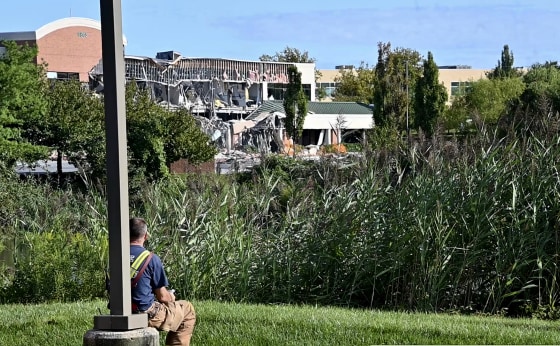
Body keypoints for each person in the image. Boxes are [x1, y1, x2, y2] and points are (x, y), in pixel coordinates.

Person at [130, 217, 196, 346]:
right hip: (144, 313)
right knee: (187, 310)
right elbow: (162, 297)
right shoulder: (150, 258)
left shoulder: (114, 257)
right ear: (146, 236)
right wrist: (171, 296)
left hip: (118, 313)